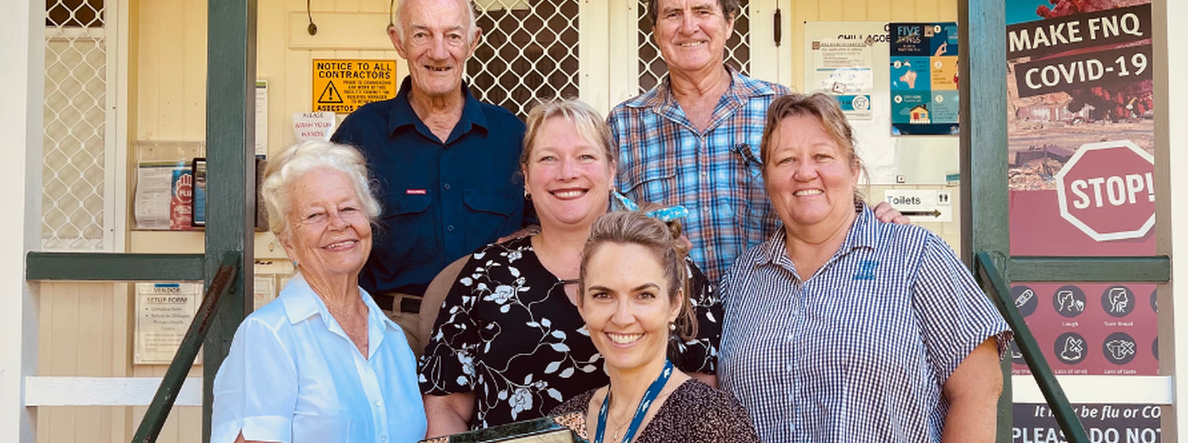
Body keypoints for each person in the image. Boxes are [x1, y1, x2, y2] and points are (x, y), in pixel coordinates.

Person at [418, 100, 722, 437]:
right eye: (548, 158)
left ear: (611, 171)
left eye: (585, 156)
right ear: (526, 178)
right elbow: (445, 404)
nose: (567, 172)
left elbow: (698, 393)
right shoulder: (485, 276)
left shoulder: (669, 267)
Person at [718, 93, 1010, 443]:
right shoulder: (741, 279)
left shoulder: (915, 255)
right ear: (767, 178)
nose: (805, 172)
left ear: (853, 168)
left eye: (822, 156)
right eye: (786, 160)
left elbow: (979, 389)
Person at [611, 0, 905, 281]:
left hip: (773, 313)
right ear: (655, 28)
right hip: (670, 322)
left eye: (703, 11)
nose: (688, 26)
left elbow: (830, 198)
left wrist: (879, 218)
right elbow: (606, 225)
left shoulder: (778, 109)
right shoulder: (625, 124)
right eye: (673, 14)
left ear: (729, 22)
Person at [329, 0, 529, 353]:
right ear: (398, 40)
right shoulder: (361, 134)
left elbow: (549, 224)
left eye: (453, 36)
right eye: (422, 35)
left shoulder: (512, 135)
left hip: (495, 330)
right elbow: (325, 229)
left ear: (473, 41)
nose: (439, 52)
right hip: (390, 332)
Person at [211, 140, 426, 443]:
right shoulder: (269, 336)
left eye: (349, 208)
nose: (338, 224)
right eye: (315, 215)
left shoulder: (392, 338)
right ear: (288, 242)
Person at [547, 210, 759, 443]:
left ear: (675, 304)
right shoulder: (561, 424)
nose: (622, 317)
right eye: (603, 295)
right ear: (581, 303)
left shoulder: (713, 420)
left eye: (644, 295)